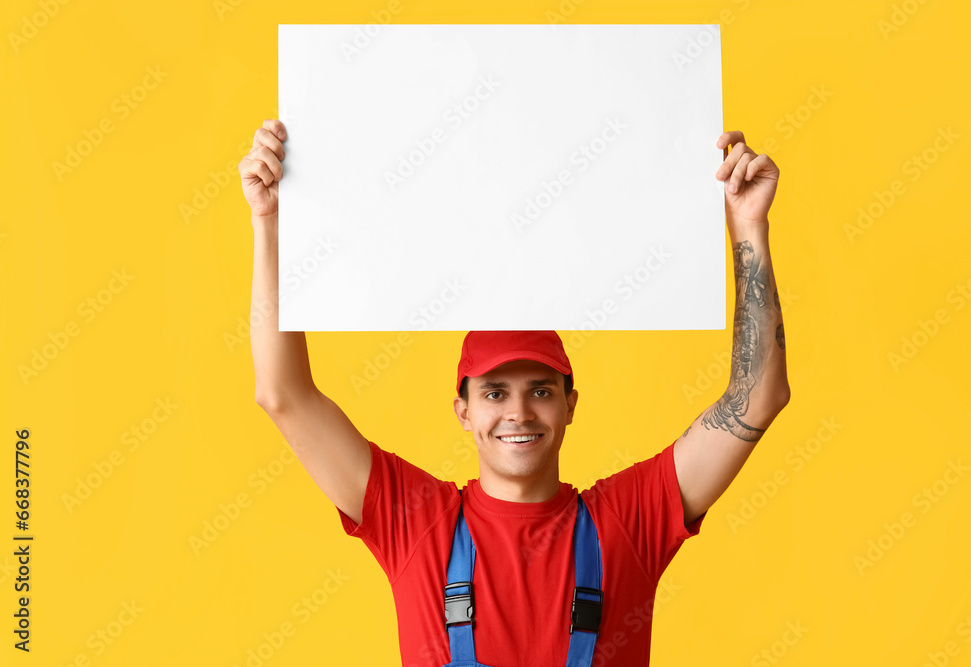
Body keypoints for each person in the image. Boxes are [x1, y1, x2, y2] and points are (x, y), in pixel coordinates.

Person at [238, 119, 789, 666]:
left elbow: (757, 395)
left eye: (541, 391)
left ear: (571, 405)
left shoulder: (628, 522)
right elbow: (283, 394)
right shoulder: (414, 522)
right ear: (464, 410)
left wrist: (747, 225)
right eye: (496, 393)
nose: (519, 412)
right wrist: (272, 223)